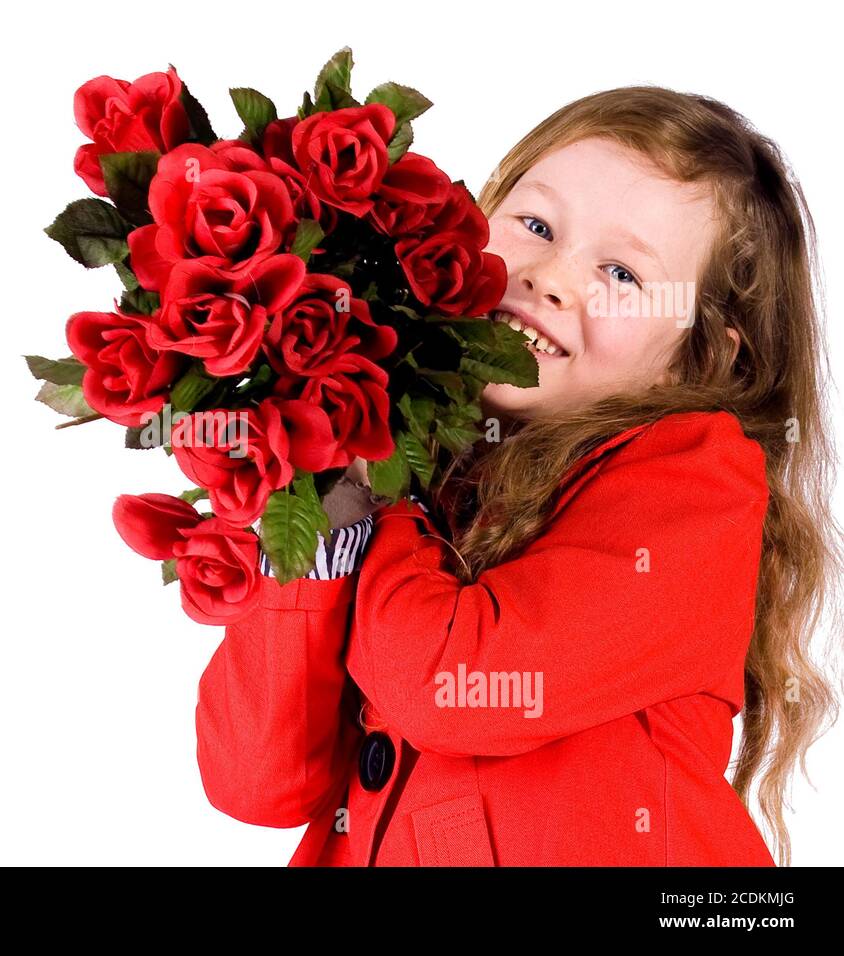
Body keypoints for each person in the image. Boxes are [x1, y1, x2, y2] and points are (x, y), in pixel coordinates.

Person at [195, 86, 842, 866]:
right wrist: (323, 497)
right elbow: (257, 782)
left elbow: (448, 685)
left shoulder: (697, 479)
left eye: (623, 273)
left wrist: (386, 481)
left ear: (701, 355)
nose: (551, 276)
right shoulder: (431, 460)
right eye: (535, 225)